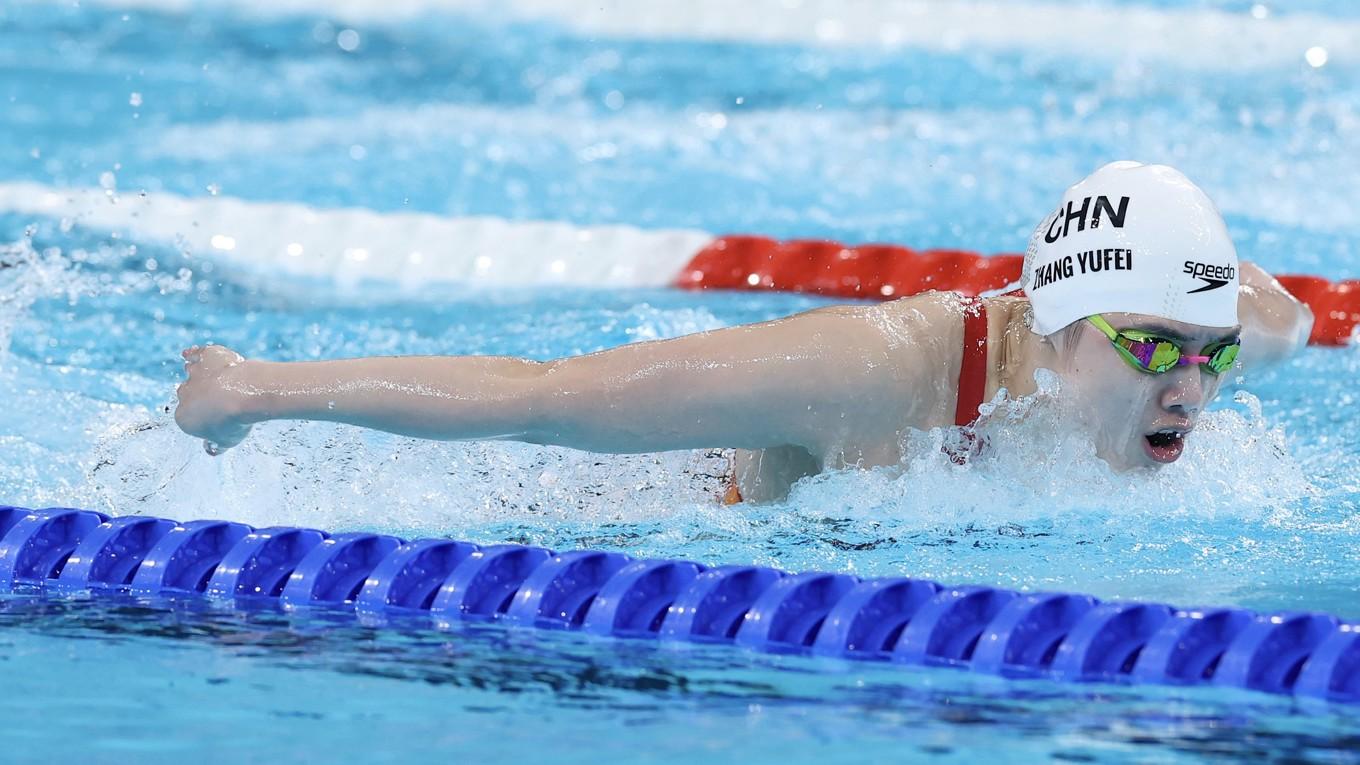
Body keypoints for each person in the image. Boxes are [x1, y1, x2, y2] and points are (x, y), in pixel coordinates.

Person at [174, 162, 1314, 503]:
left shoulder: (1219, 334)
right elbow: (539, 394)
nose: (1192, 390)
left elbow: (1278, 317)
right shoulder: (866, 376)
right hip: (643, 523)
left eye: (1204, 354)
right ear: (1058, 324)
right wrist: (252, 390)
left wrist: (1230, 319)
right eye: (1156, 349)